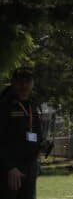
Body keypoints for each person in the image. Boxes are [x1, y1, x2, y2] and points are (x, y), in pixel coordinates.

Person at [0, 68, 42, 199]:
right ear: (13, 82)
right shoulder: (4, 105)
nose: (24, 86)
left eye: (27, 81)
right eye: (20, 82)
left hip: (30, 167)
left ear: (33, 83)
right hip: (10, 171)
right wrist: (10, 167)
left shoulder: (32, 104)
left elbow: (35, 132)